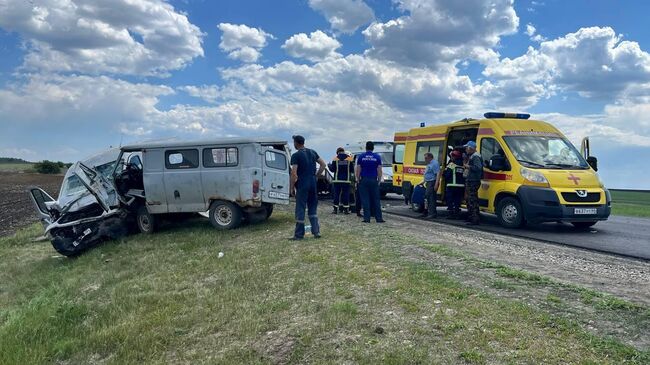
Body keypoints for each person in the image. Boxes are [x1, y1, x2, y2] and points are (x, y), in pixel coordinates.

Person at [289, 135, 327, 240]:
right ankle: (316, 232)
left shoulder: (296, 156)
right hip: (312, 184)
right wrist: (316, 176)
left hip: (302, 184)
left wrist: (291, 188)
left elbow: (294, 173)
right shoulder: (313, 152)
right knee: (312, 208)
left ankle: (298, 235)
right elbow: (323, 165)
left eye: (294, 142)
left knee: (300, 208)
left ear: (296, 143)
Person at [355, 141, 385, 223]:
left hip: (364, 180)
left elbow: (358, 169)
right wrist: (379, 180)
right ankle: (379, 218)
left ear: (366, 147)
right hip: (373, 179)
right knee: (376, 199)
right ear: (373, 148)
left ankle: (366, 218)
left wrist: (358, 179)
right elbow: (379, 169)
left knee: (365, 200)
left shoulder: (361, 157)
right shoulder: (377, 157)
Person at [328, 147, 354, 214]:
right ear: (343, 151)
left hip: (337, 180)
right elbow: (351, 169)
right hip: (346, 180)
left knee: (336, 194)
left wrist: (329, 165)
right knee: (346, 194)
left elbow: (333, 169)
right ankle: (346, 210)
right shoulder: (349, 158)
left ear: (337, 152)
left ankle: (335, 209)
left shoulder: (336, 158)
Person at [463, 141, 483, 225]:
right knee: (469, 199)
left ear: (471, 148)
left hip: (473, 181)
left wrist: (468, 166)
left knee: (472, 200)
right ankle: (471, 217)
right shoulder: (472, 156)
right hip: (471, 180)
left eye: (467, 148)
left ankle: (475, 219)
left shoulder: (475, 157)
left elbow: (478, 168)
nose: (466, 149)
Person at [417, 152, 441, 219]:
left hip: (432, 182)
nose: (425, 159)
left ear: (430, 157)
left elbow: (438, 174)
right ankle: (426, 212)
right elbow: (428, 174)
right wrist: (423, 181)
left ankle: (432, 213)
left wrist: (436, 184)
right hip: (428, 182)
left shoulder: (435, 163)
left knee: (431, 198)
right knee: (427, 197)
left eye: (426, 158)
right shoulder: (429, 164)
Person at [444, 150, 465, 219]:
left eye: (452, 156)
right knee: (457, 201)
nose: (451, 157)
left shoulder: (451, 165)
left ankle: (451, 214)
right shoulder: (462, 165)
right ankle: (457, 214)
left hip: (451, 185)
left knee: (450, 200)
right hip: (461, 186)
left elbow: (447, 175)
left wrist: (443, 173)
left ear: (454, 157)